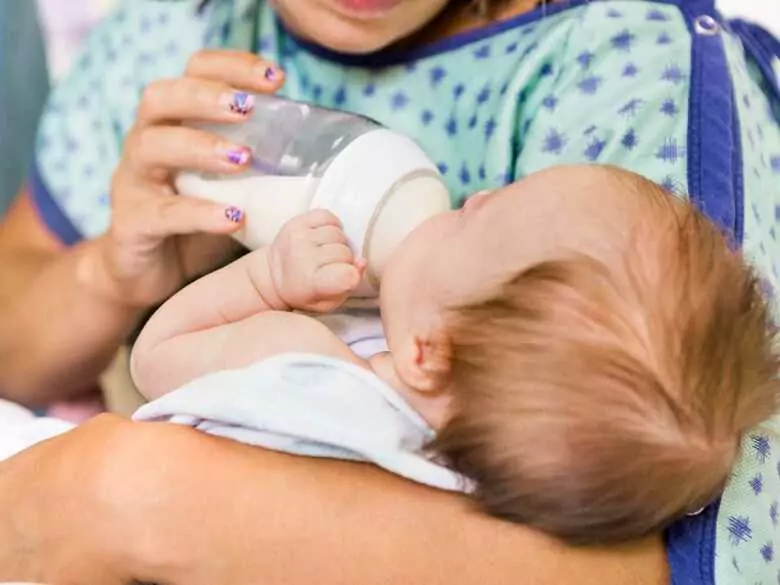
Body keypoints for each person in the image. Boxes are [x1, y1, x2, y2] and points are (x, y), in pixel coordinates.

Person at [0, 0, 777, 582]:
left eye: (481, 210)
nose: (472, 200)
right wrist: (111, 274)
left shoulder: (631, 70)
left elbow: (719, 552)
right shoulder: (182, 26)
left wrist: (143, 496)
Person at [131, 164, 779, 544]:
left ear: (427, 353)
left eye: (473, 218)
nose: (476, 195)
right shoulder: (485, 500)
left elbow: (155, 358)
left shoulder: (307, 373)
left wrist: (267, 281)